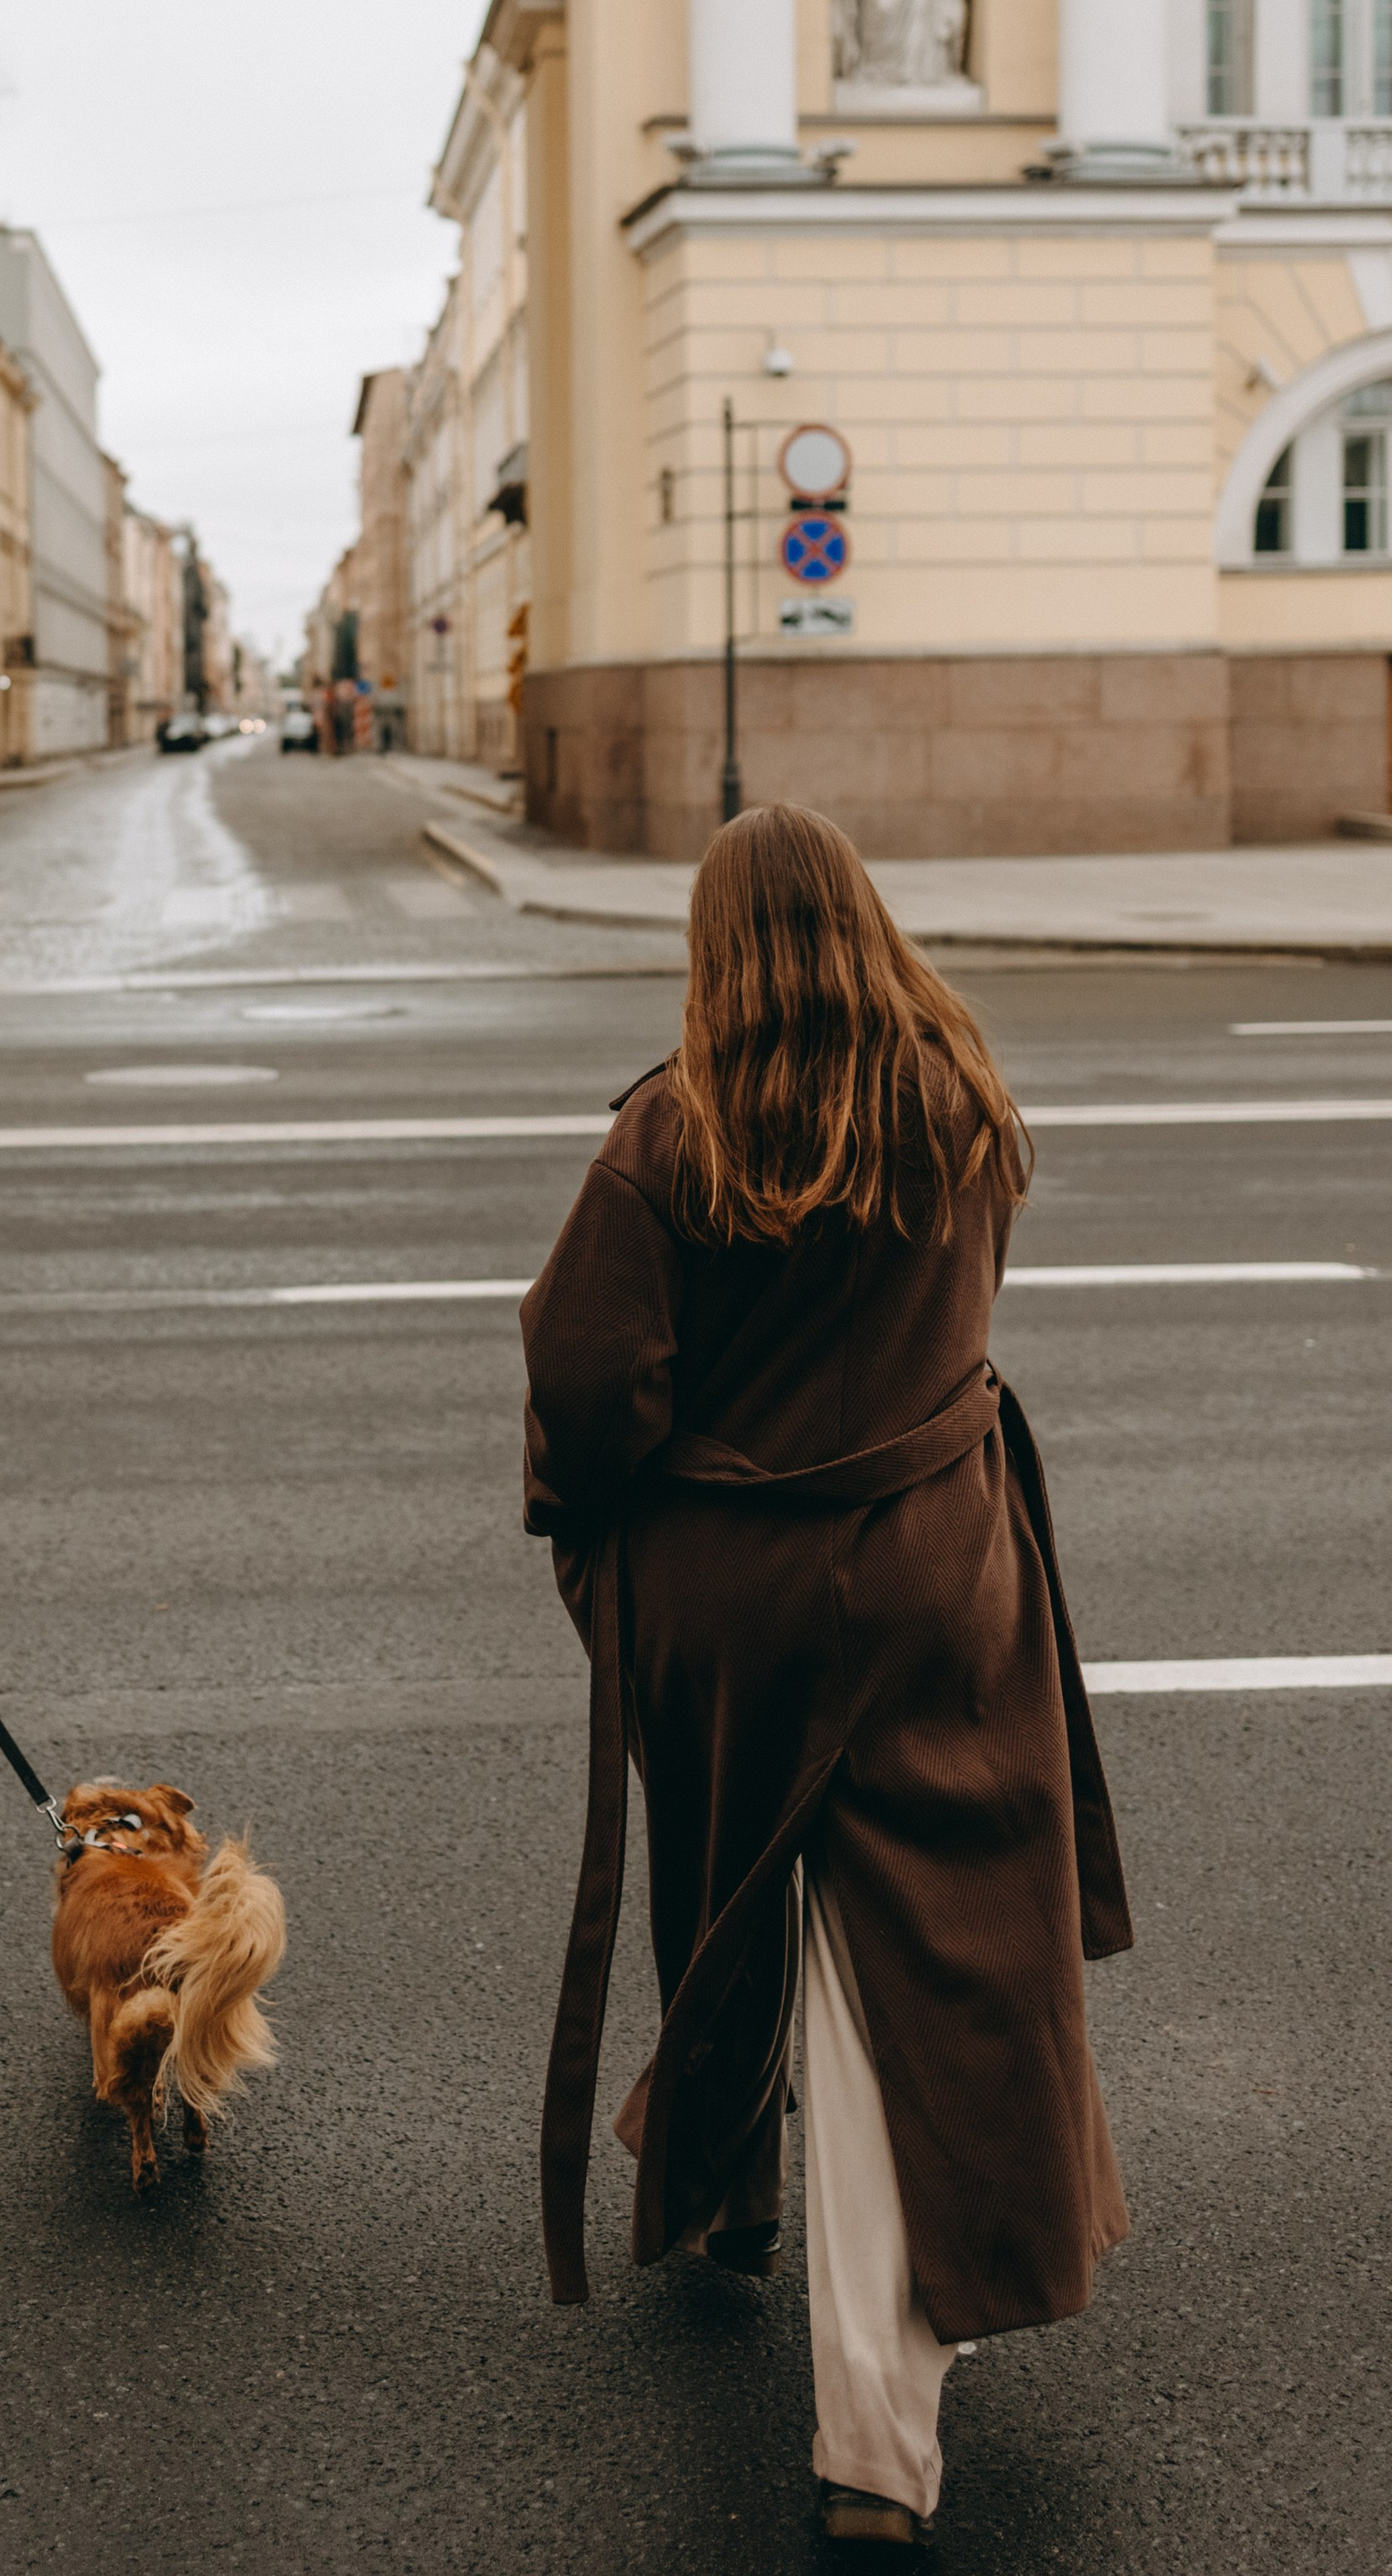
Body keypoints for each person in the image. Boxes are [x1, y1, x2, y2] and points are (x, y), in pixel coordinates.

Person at [520, 804, 1130, 2553]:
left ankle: (798, 2316)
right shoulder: (957, 1095)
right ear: (862, 920)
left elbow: (587, 1386)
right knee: (912, 1960)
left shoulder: (670, 1130)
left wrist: (601, 1536)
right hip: (942, 1569)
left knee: (745, 1906)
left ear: (716, 950)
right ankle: (835, 2361)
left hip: (735, 1601)